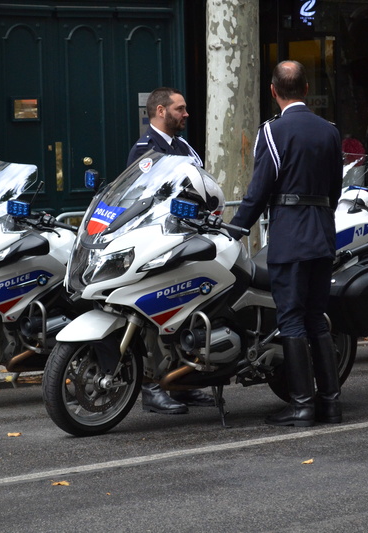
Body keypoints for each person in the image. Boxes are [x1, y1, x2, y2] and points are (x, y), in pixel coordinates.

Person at [229, 60, 343, 427]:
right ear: (306, 89)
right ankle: (330, 404)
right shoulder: (330, 131)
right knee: (317, 320)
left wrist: (235, 229)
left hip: (291, 236)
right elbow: (335, 189)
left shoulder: (273, 132)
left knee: (291, 319)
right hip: (323, 233)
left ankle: (302, 406)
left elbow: (259, 190)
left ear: (274, 91)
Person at [126, 86, 213, 414]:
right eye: (180, 109)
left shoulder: (182, 147)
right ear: (160, 111)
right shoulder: (145, 151)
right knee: (154, 315)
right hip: (158, 246)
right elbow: (143, 201)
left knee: (186, 313)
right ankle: (151, 386)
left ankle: (182, 382)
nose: (186, 114)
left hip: (187, 242)